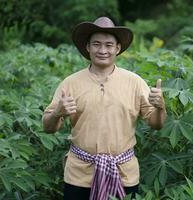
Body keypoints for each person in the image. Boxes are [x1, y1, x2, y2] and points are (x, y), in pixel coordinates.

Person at [42, 16, 166, 200]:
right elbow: (48, 127)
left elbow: (156, 124)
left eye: (108, 45)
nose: (102, 50)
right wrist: (58, 113)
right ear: (87, 47)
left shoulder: (135, 82)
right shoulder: (71, 83)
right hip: (79, 175)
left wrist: (160, 107)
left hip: (124, 174)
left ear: (117, 48)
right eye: (96, 44)